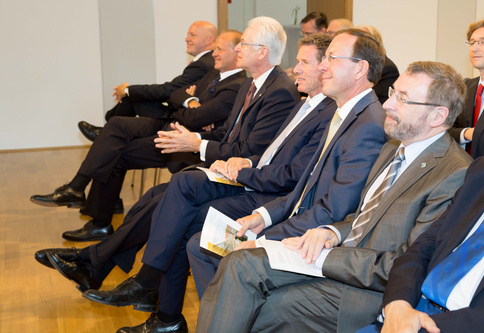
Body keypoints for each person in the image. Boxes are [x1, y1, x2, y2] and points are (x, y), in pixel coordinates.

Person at [37, 32, 337, 333]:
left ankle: (141, 284)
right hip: (244, 173)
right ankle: (136, 289)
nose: (294, 68)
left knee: (177, 200)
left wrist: (224, 158)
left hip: (262, 194)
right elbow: (256, 148)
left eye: (302, 62)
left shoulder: (293, 97)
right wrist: (212, 147)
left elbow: (284, 171)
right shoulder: (296, 100)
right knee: (162, 196)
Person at [195, 60, 473, 333]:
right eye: (392, 94)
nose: (387, 104)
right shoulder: (393, 148)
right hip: (340, 258)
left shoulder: (454, 174)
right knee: (240, 262)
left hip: (371, 293)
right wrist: (331, 233)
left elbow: (405, 264)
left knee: (261, 306)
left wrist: (326, 258)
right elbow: (365, 216)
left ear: (438, 116)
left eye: (403, 99)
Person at [31, 18, 300, 242]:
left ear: (262, 51)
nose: (222, 52)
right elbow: (180, 96)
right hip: (192, 138)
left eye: (237, 45)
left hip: (209, 155)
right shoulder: (239, 82)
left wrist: (193, 136)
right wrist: (190, 113)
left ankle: (99, 232)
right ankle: (98, 226)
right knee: (117, 143)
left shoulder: (248, 85)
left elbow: (200, 118)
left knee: (134, 166)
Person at [187, 28, 388, 298]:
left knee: (217, 251)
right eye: (324, 58)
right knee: (200, 244)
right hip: (296, 221)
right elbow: (305, 185)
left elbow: (334, 211)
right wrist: (263, 217)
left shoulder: (367, 125)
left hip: (315, 244)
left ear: (360, 69)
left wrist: (265, 240)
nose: (323, 66)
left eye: (332, 58)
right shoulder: (343, 113)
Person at [364, 154, 484, 333]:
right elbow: (423, 247)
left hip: (457, 324)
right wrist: (398, 303)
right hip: (412, 307)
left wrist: (418, 325)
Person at [79, 21, 218, 141]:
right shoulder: (206, 61)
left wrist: (128, 90)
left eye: (192, 35)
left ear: (209, 40)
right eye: (187, 34)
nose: (186, 39)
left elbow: (170, 90)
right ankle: (105, 132)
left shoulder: (204, 63)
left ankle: (103, 133)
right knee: (133, 97)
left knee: (132, 97)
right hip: (180, 111)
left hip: (179, 118)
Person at [450, 17, 484, 158]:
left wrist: (477, 134)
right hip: (461, 170)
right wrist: (465, 134)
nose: (475, 48)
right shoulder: (466, 87)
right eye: (472, 43)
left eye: (483, 42)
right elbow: (445, 129)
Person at [357, 24, 399, 104]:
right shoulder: (356, 64)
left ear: (376, 43)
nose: (360, 45)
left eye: (364, 41)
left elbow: (377, 103)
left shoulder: (388, 69)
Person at [285, 12, 328, 81]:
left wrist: (296, 79)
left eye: (308, 34)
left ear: (322, 31)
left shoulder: (328, 52)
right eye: (303, 33)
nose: (305, 37)